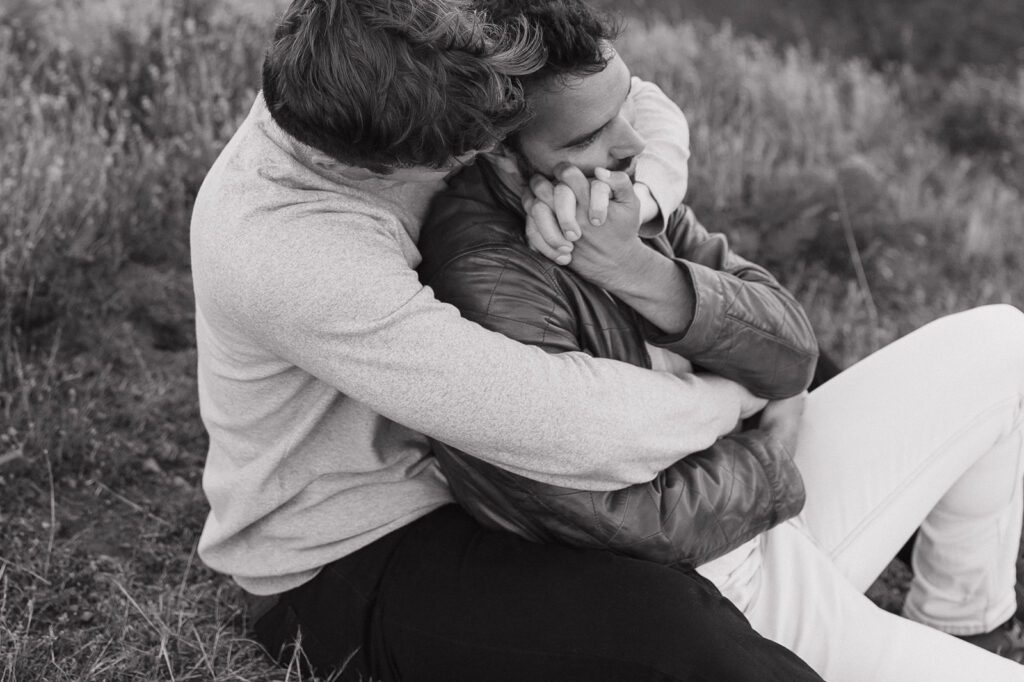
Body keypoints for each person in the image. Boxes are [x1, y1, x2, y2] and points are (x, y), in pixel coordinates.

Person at [189, 0, 825, 679]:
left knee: (776, 341)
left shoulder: (410, 49)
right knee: (675, 634)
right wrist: (739, 401)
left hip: (468, 465)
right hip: (354, 548)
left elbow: (632, 98)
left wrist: (644, 203)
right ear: (410, 160)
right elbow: (574, 427)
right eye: (474, 150)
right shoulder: (294, 252)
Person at [418, 2, 1024, 680]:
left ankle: (964, 627)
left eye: (623, 109)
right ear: (499, 152)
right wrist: (771, 448)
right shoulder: (486, 282)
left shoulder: (614, 202)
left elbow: (792, 352)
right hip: (719, 587)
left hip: (756, 504)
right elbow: (608, 520)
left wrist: (635, 267)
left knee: (1004, 343)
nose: (631, 146)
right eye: (589, 136)